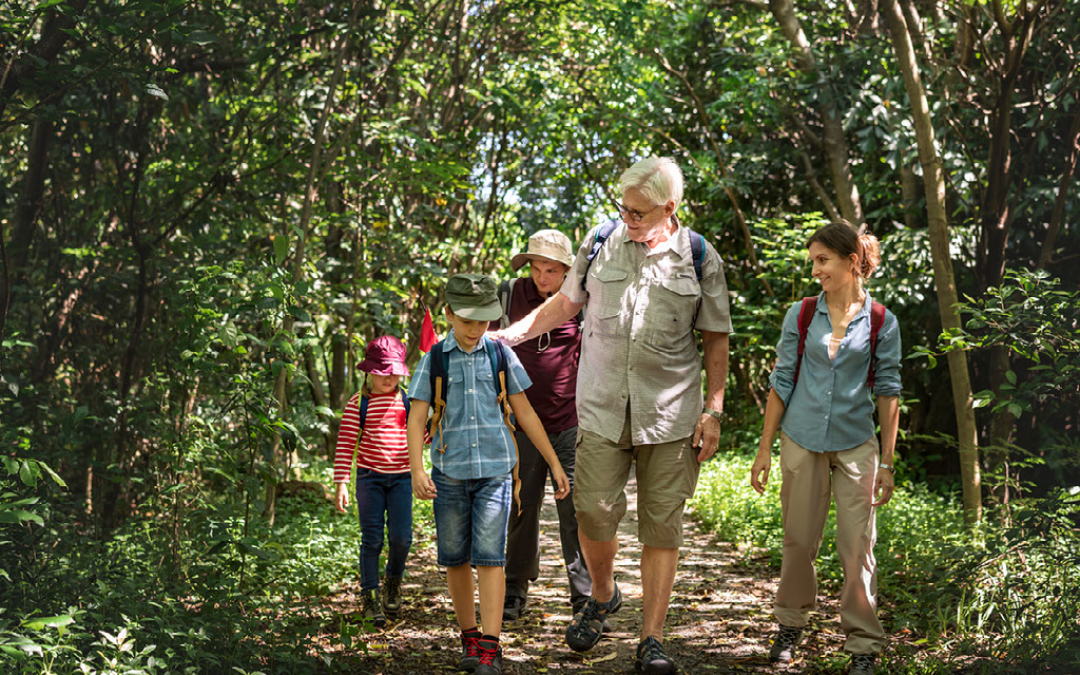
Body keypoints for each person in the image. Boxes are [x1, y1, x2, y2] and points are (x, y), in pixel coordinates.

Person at [492, 157, 732, 675]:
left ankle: (652, 639)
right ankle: (602, 593)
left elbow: (716, 336)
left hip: (671, 415)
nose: (628, 218)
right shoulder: (601, 240)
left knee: (660, 527)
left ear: (670, 209)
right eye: (622, 208)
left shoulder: (698, 256)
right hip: (600, 407)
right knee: (594, 513)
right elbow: (565, 305)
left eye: (639, 212)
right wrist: (505, 337)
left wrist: (713, 410)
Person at [749, 221, 901, 675]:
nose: (815, 270)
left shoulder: (881, 321)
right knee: (798, 540)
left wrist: (888, 462)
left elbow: (889, 392)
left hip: (857, 443)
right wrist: (764, 449)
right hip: (801, 438)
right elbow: (781, 382)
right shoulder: (801, 313)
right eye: (813, 261)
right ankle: (790, 625)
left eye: (823, 261)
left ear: (851, 262)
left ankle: (863, 646)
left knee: (857, 546)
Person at [407, 273, 571, 675]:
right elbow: (416, 419)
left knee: (491, 558)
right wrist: (415, 468)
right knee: (455, 559)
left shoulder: (500, 355)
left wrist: (552, 461)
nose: (475, 329)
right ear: (448, 315)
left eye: (483, 321)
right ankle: (469, 637)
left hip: (496, 471)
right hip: (449, 472)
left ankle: (491, 647)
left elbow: (525, 411)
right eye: (467, 321)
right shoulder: (435, 359)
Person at [491, 229, 594, 622]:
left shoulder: (580, 300)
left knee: (575, 509)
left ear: (568, 270)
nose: (541, 277)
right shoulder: (510, 295)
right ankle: (515, 588)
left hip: (571, 420)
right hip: (520, 423)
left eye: (551, 270)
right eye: (536, 268)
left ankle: (584, 596)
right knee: (522, 506)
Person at [333, 335, 416, 628]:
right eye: (383, 372)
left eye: (395, 373)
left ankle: (393, 581)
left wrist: (436, 423)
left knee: (401, 537)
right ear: (369, 371)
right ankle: (369, 594)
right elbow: (345, 444)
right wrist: (341, 482)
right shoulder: (359, 403)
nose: (390, 378)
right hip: (369, 479)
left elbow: (422, 438)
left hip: (402, 479)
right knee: (372, 539)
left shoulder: (407, 401)